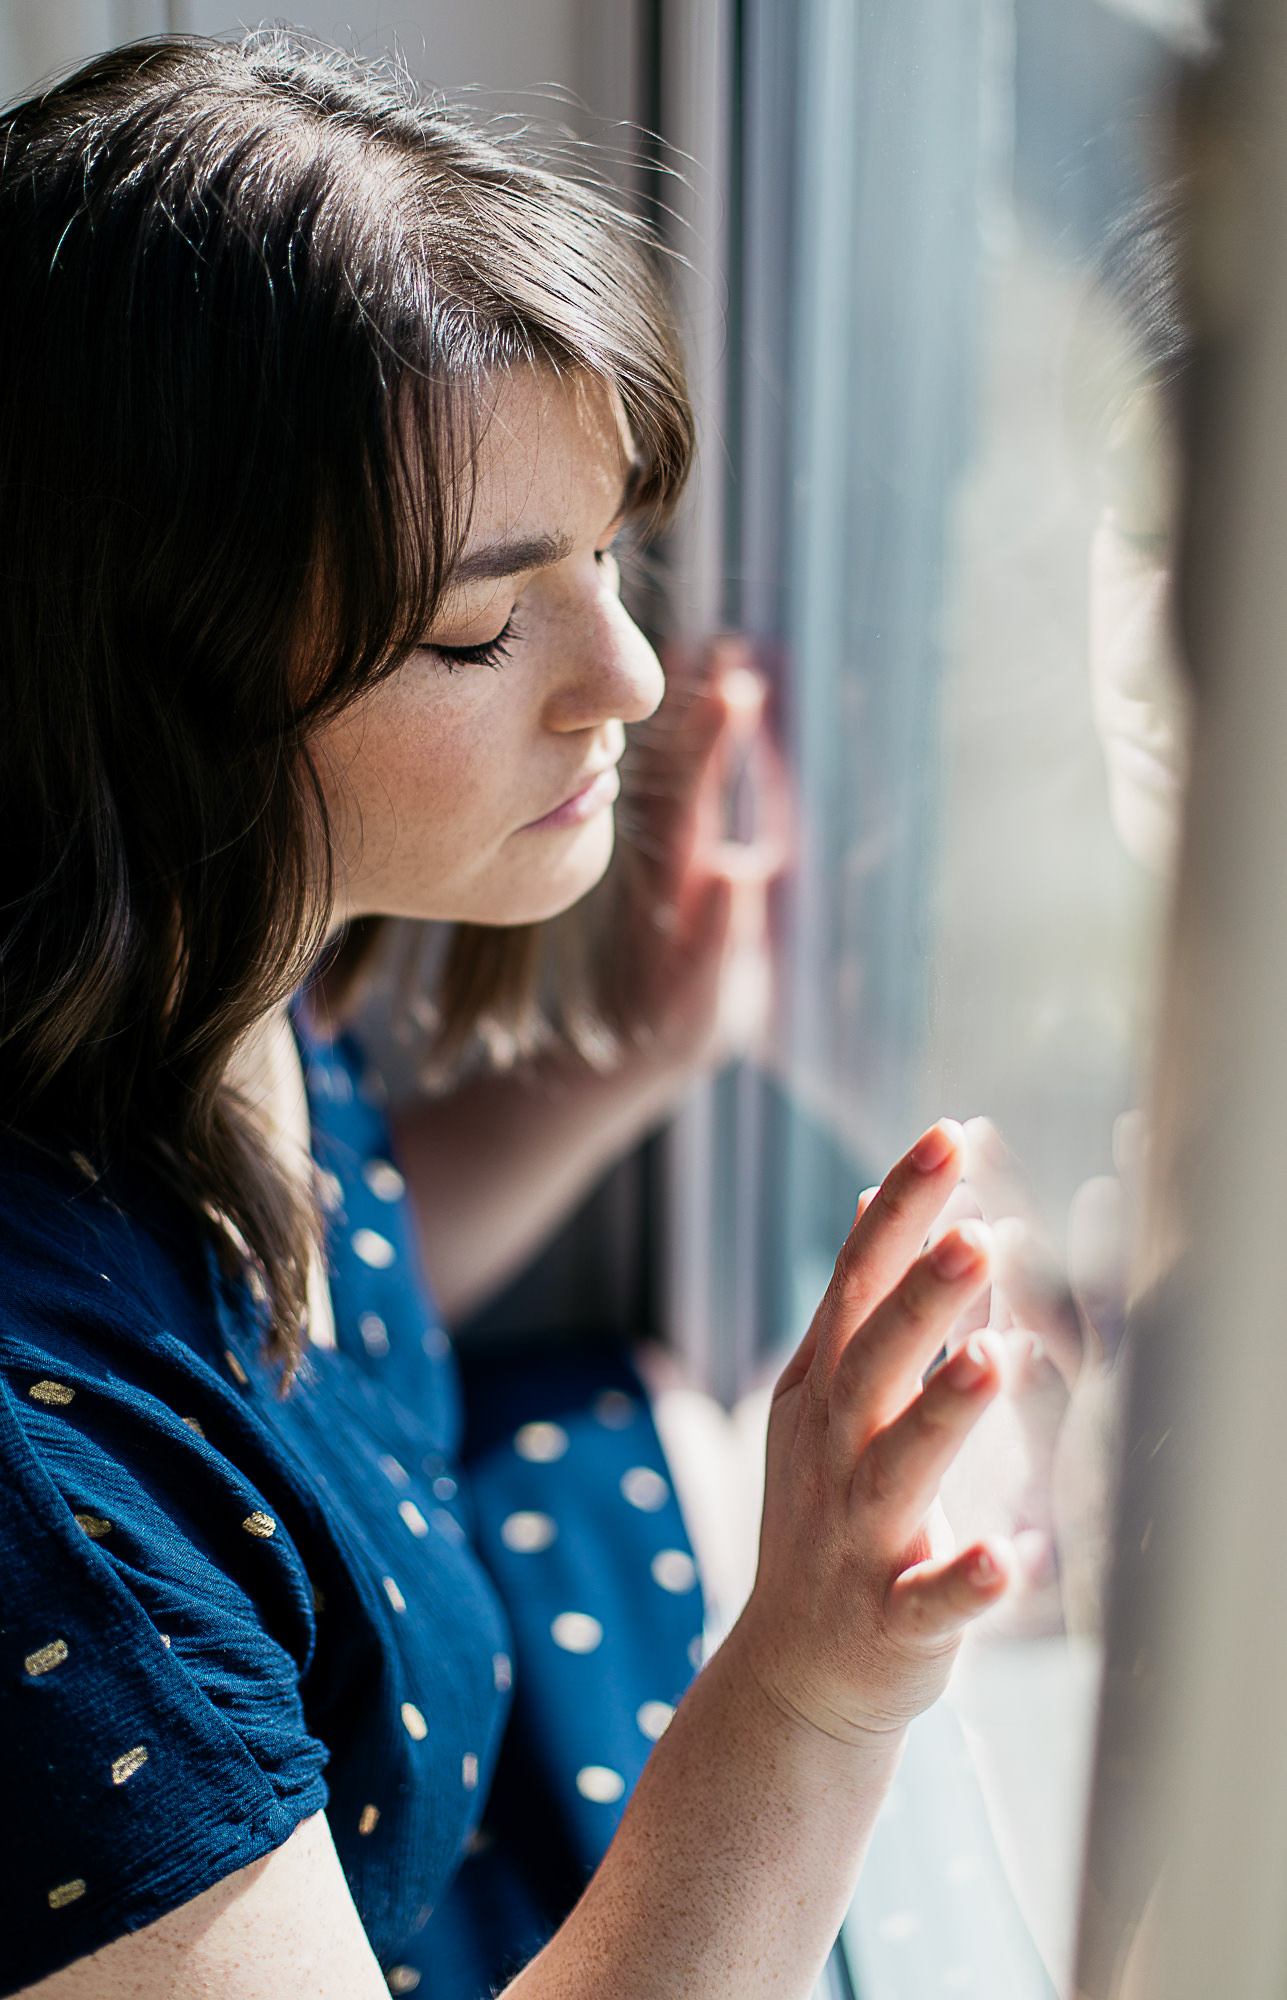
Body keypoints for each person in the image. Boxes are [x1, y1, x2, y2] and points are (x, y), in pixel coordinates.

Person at [0, 33, 1014, 2000]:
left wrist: (622, 1067)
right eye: (481, 624)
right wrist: (804, 1686)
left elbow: (276, 1349)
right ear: (153, 683)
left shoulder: (184, 983)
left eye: (610, 554)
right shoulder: (49, 1544)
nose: (626, 672)